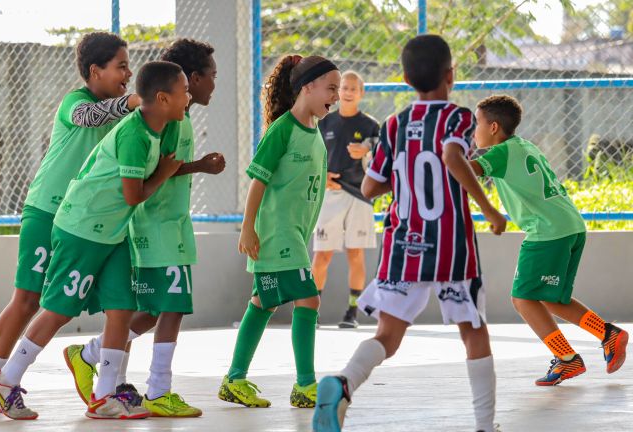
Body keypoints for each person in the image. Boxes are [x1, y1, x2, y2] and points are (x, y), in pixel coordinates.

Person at [313, 35, 506, 432]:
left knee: (388, 335)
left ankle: (343, 381)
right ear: (450, 75)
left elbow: (369, 187)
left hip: (404, 244)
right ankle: (486, 426)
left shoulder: (394, 124)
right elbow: (452, 155)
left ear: (403, 77)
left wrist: (400, 178)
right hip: (451, 245)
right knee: (472, 331)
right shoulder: (458, 118)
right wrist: (488, 209)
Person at [0, 61, 190, 420]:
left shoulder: (155, 130)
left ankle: (103, 394)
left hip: (110, 232)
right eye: (183, 90)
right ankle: (2, 380)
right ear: (161, 97)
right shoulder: (128, 130)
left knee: (121, 308)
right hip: (80, 226)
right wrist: (163, 173)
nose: (188, 97)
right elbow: (132, 194)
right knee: (55, 307)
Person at [63, 38, 225, 418]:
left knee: (155, 309)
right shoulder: (171, 120)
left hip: (166, 224)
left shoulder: (179, 116)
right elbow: (158, 168)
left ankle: (94, 359)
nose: (211, 85)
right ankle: (158, 388)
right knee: (170, 309)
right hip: (157, 224)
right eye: (209, 77)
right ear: (192, 79)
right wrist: (198, 165)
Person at [0, 32, 140, 413]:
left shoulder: (125, 117)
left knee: (119, 306)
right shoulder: (77, 101)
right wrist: (134, 101)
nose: (128, 72)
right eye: (120, 65)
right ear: (94, 71)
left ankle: (109, 386)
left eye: (129, 65)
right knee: (27, 300)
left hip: (89, 223)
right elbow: (90, 117)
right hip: (48, 212)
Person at [470, 94, 628, 385]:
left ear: (493, 128)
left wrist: (447, 157)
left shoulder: (500, 152)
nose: (472, 131)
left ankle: (568, 359)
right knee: (551, 298)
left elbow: (466, 172)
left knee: (523, 299)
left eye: (475, 123)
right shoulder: (523, 146)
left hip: (548, 232)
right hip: (570, 225)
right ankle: (608, 334)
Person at [217, 54, 340, 409]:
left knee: (263, 302)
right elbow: (258, 182)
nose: (335, 95)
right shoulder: (282, 129)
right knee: (310, 297)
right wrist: (248, 229)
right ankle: (305, 385)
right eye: (330, 88)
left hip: (296, 234)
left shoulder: (314, 129)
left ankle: (234, 379)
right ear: (307, 87)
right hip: (277, 234)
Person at [312, 70, 380, 328]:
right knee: (322, 255)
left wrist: (367, 148)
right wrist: (322, 176)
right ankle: (312, 311)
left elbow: (385, 153)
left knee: (355, 253)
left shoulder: (371, 126)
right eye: (345, 87)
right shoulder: (324, 123)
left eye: (354, 88)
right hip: (329, 194)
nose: (349, 92)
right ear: (338, 92)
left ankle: (352, 312)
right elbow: (312, 156)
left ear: (361, 93)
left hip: (359, 195)